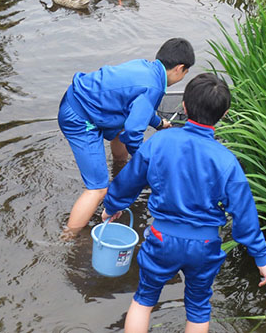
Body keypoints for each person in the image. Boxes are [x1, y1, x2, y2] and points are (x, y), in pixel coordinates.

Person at [101, 73, 266, 333]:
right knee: (198, 307)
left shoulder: (159, 142)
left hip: (161, 238)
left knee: (144, 299)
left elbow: (130, 180)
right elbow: (244, 213)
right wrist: (261, 257)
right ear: (224, 114)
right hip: (205, 245)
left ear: (183, 106)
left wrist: (111, 206)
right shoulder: (226, 161)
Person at [59, 38, 195, 236]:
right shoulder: (154, 87)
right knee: (97, 189)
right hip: (79, 117)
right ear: (179, 68)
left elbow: (137, 105)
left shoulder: (145, 67)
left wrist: (158, 123)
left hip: (83, 100)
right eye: (186, 72)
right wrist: (143, 161)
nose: (184, 76)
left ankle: (120, 168)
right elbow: (133, 133)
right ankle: (68, 238)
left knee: (120, 130)